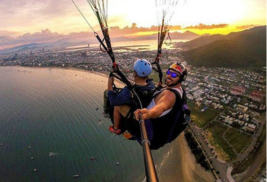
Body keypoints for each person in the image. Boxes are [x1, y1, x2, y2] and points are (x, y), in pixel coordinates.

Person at [133, 62, 190, 149]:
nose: (169, 76)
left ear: (181, 79)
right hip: (158, 138)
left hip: (149, 135)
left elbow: (161, 107)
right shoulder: (179, 90)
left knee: (119, 103)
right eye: (169, 73)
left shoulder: (169, 95)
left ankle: (118, 128)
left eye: (174, 75)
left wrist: (148, 114)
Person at [106, 59, 155, 135]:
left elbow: (113, 101)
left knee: (116, 106)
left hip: (135, 115)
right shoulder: (151, 86)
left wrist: (109, 86)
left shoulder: (130, 92)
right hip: (143, 109)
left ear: (135, 74)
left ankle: (116, 128)